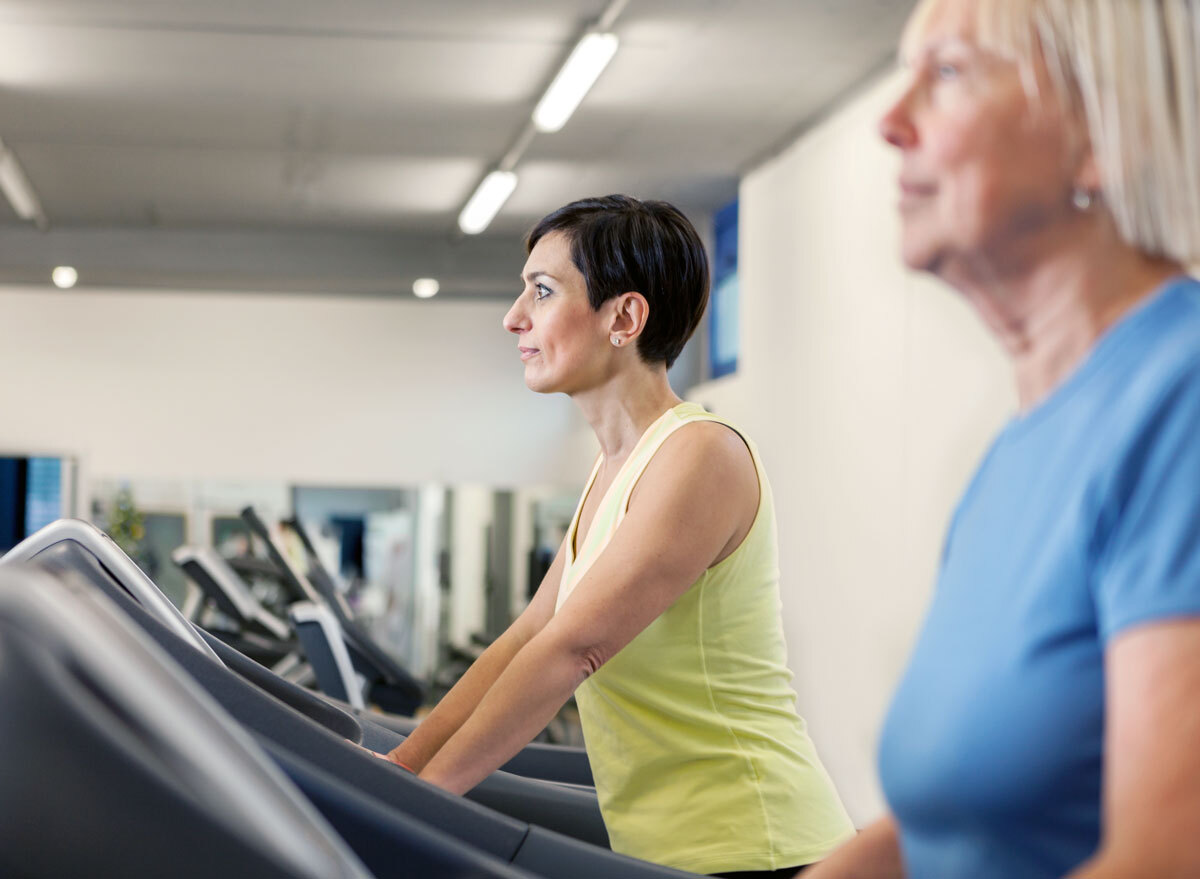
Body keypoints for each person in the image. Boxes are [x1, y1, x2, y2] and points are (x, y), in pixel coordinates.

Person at [808, 1, 1200, 877]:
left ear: (1101, 135)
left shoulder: (1182, 402)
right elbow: (949, 825)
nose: (890, 120)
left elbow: (1166, 859)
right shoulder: (1013, 454)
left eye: (948, 72)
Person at [386, 195, 854, 875]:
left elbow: (574, 649)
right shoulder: (613, 469)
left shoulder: (700, 453)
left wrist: (420, 801)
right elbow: (529, 636)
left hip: (758, 844)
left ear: (625, 318)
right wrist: (398, 769)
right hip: (681, 851)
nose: (515, 317)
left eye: (542, 291)